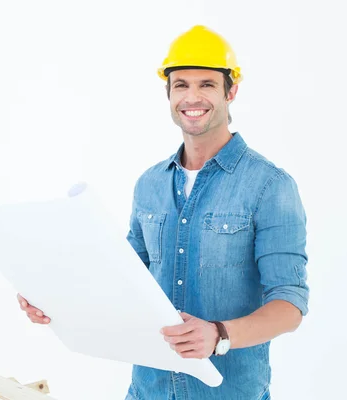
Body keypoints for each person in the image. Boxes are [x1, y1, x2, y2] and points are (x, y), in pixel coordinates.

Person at [17, 25, 309, 400]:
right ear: (168, 93)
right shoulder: (150, 184)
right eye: (181, 84)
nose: (192, 96)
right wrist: (54, 299)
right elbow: (123, 281)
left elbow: (290, 305)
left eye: (206, 84)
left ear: (230, 92)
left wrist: (219, 334)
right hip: (148, 390)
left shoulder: (270, 186)